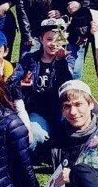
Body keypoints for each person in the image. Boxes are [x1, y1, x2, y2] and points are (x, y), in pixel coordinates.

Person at [8, 18, 72, 152]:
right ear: (41, 39)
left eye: (58, 40)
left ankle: (50, 144)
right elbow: (12, 81)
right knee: (34, 136)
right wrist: (20, 84)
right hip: (36, 110)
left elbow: (68, 88)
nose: (53, 44)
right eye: (49, 39)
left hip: (58, 112)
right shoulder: (29, 59)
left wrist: (61, 62)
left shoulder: (65, 61)